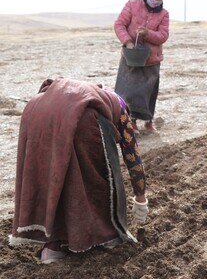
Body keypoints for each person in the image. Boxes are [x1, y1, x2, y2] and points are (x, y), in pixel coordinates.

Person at [9, 78, 149, 263]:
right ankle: (108, 235)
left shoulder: (81, 94)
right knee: (102, 177)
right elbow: (132, 155)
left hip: (36, 112)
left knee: (54, 175)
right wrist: (141, 199)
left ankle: (53, 246)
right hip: (81, 117)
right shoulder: (120, 106)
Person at [114, 0, 170, 132]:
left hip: (151, 60)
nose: (156, 0)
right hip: (130, 58)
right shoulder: (132, 5)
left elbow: (163, 36)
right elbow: (119, 25)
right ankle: (128, 121)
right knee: (127, 91)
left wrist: (147, 33)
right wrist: (128, 42)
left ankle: (148, 121)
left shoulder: (164, 14)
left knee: (148, 93)